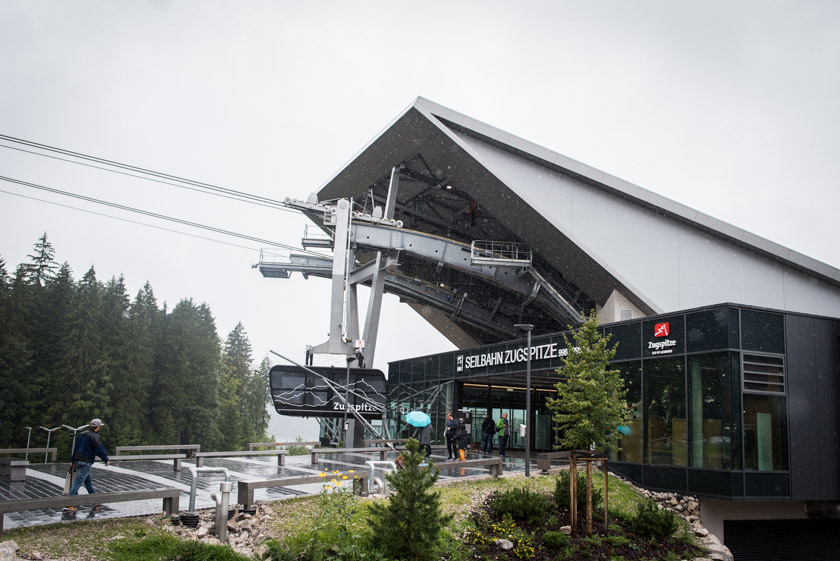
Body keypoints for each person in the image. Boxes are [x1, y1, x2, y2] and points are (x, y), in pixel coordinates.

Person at [66, 418, 110, 502]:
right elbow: (100, 449)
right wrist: (106, 460)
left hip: (77, 460)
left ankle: (94, 499)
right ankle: (69, 502)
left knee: (87, 481)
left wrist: (72, 460)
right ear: (97, 427)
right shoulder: (95, 436)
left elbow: (75, 448)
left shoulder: (82, 434)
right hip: (86, 462)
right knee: (78, 482)